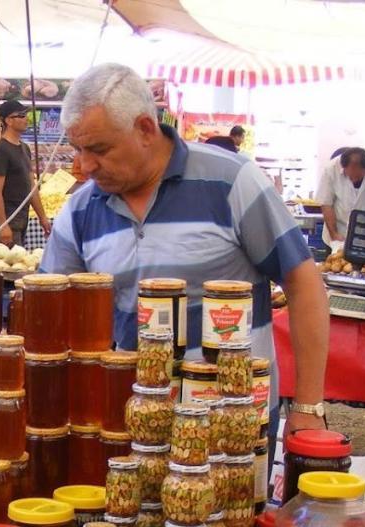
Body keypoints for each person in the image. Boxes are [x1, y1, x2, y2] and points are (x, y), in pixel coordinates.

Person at [40, 63, 330, 436]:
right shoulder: (80, 210)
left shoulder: (230, 181)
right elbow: (52, 312)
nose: (85, 165)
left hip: (232, 429)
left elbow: (303, 284)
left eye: (99, 148)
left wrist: (307, 407)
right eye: (78, 149)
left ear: (145, 128)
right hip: (133, 428)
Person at [0, 99, 52, 248]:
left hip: (22, 217)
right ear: (9, 121)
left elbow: (32, 187)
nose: (26, 119)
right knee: (11, 263)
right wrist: (3, 225)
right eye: (21, 115)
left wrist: (42, 217)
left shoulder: (25, 148)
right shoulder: (1, 150)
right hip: (9, 217)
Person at [317, 146, 365, 243]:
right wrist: (334, 234)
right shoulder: (330, 169)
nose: (353, 180)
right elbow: (326, 204)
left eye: (357, 177)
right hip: (337, 229)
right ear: (343, 167)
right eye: (350, 176)